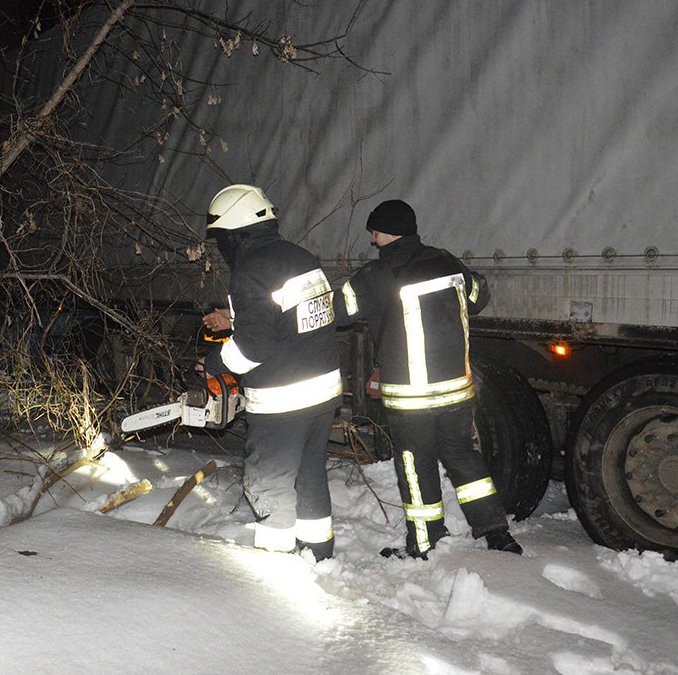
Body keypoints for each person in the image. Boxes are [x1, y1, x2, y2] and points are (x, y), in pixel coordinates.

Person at [336, 199, 522, 559]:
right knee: (464, 457)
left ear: (386, 232)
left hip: (411, 398)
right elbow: (479, 296)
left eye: (374, 232)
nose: (372, 240)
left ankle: (424, 543)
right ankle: (496, 531)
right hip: (455, 389)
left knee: (415, 464)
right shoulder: (445, 261)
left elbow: (338, 312)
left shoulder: (375, 277)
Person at [201, 184, 343, 561]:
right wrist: (234, 318)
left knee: (269, 482)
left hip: (283, 400)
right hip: (322, 393)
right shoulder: (300, 257)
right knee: (309, 475)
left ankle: (276, 563)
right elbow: (292, 315)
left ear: (234, 235)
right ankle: (318, 551)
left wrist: (213, 362)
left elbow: (254, 348)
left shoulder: (250, 272)